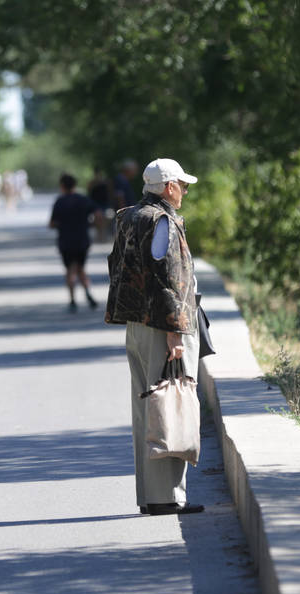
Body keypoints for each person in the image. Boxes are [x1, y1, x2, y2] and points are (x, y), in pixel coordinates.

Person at [105, 158, 204, 516]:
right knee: (168, 405)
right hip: (161, 327)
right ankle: (167, 497)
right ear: (168, 187)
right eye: (182, 184)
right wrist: (174, 332)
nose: (185, 191)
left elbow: (118, 266)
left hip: (137, 326)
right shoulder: (161, 221)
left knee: (146, 408)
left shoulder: (128, 216)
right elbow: (167, 279)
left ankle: (150, 496)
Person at [50, 173, 101, 312]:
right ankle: (88, 293)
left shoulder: (60, 202)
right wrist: (94, 226)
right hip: (82, 240)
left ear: (62, 186)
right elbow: (97, 213)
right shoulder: (83, 199)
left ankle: (72, 300)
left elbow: (52, 223)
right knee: (80, 268)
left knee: (70, 270)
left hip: (66, 241)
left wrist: (61, 224)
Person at [87, 167, 113, 242]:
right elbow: (89, 192)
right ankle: (99, 235)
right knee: (97, 218)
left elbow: (110, 192)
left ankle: (103, 234)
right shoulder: (92, 182)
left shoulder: (106, 182)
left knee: (106, 218)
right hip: (95, 204)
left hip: (105, 203)